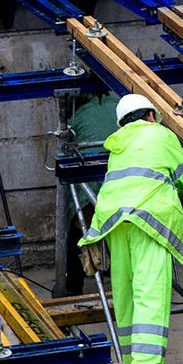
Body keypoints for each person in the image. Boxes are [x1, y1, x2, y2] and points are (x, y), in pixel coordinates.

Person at [78, 93, 183, 364]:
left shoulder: (118, 145)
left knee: (126, 294)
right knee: (151, 295)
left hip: (113, 223)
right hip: (149, 220)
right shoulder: (160, 134)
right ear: (150, 115)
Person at [64, 94, 118, 296]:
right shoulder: (119, 107)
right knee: (118, 232)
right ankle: (115, 273)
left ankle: (72, 287)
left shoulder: (76, 118)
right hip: (121, 191)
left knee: (77, 229)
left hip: (91, 189)